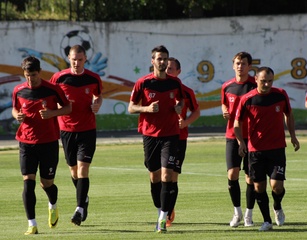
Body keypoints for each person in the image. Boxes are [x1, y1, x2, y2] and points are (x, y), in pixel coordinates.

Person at [234, 66, 300, 231]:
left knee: (277, 186)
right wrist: (241, 142)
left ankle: (277, 206)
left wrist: (292, 136)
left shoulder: (280, 94)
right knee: (258, 187)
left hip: (277, 149)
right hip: (255, 151)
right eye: (263, 81)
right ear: (256, 79)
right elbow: (237, 124)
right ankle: (267, 221)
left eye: (270, 81)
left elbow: (289, 115)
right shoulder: (247, 99)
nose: (267, 84)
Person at [12, 56, 71, 235]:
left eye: (34, 75)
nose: (31, 79)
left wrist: (53, 113)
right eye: (27, 75)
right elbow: (15, 109)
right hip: (26, 142)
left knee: (47, 183)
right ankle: (32, 224)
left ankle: (52, 204)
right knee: (28, 182)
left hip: (48, 143)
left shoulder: (53, 89)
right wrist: (17, 116)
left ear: (40, 72)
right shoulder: (19, 90)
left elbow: (68, 108)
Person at [128, 45, 185, 233]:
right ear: (152, 61)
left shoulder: (175, 83)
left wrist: (178, 107)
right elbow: (131, 107)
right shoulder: (143, 83)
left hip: (170, 134)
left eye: (165, 59)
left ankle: (162, 218)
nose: (162, 62)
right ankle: (161, 208)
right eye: (159, 59)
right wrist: (146, 109)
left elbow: (181, 100)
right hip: (150, 135)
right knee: (154, 177)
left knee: (167, 174)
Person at [50, 45, 103, 226]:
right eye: (74, 59)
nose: (77, 63)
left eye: (80, 59)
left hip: (87, 130)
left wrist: (97, 104)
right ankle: (84, 198)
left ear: (85, 59)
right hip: (66, 131)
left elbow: (98, 96)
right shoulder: (59, 78)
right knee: (73, 171)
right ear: (69, 58)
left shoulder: (93, 78)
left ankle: (79, 209)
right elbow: (52, 98)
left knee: (82, 169)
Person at [220, 52, 257, 227]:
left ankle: (249, 215)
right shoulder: (227, 86)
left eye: (243, 63)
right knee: (232, 174)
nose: (240, 66)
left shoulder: (255, 85)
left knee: (250, 178)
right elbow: (224, 103)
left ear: (249, 66)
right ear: (233, 65)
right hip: (232, 136)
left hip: (252, 138)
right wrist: (224, 110)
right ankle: (237, 212)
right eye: (237, 63)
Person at [165, 57, 200, 227]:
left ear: (179, 72)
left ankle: (168, 211)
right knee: (159, 176)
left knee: (173, 176)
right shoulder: (157, 88)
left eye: (171, 68)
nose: (167, 71)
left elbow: (196, 111)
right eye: (166, 68)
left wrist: (185, 123)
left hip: (179, 139)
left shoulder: (186, 91)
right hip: (159, 138)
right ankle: (163, 207)